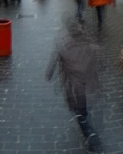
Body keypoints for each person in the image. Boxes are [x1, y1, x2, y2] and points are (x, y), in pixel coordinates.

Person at [45, 16, 104, 154]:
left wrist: (49, 72)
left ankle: (89, 132)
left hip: (74, 86)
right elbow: (98, 55)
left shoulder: (62, 41)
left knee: (79, 111)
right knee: (85, 108)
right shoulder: (86, 38)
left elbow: (55, 56)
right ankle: (88, 125)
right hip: (90, 82)